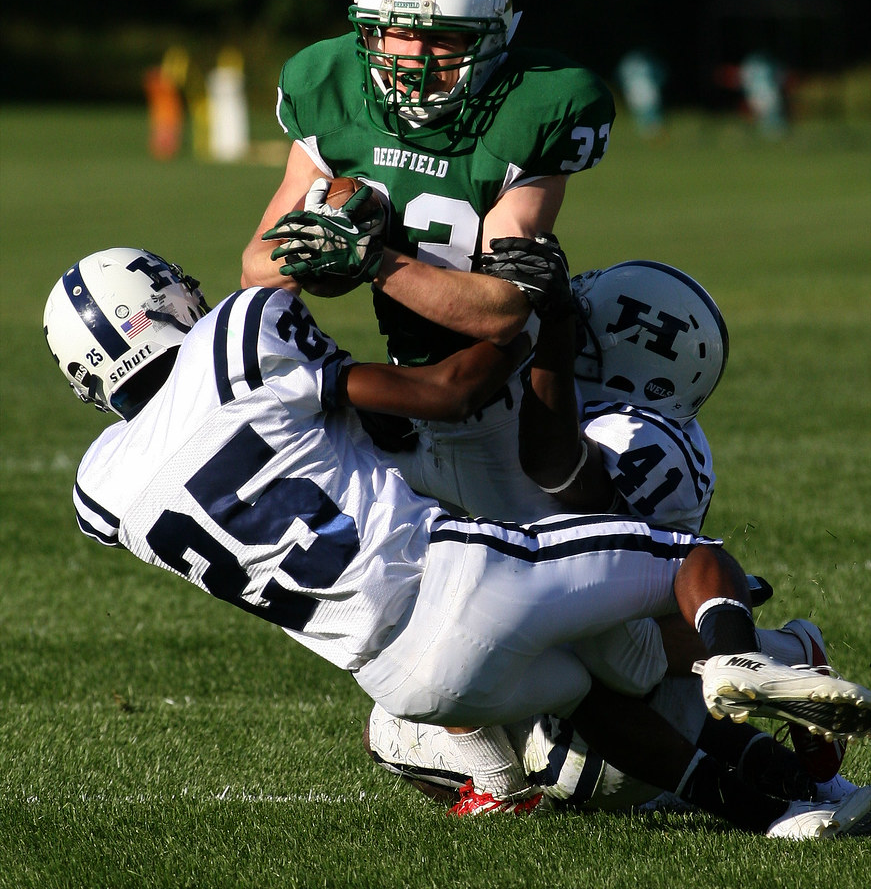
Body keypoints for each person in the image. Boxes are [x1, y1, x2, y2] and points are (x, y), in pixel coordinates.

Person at [45, 247, 871, 839]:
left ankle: (772, 814)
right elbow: (444, 392)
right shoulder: (238, 336)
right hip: (455, 581)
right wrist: (526, 320)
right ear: (157, 308)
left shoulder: (101, 487)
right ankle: (746, 652)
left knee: (591, 690)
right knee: (695, 562)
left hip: (406, 683)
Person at [361, 252, 851, 811]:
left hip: (618, 661)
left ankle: (778, 657)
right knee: (432, 685)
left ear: (629, 355)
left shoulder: (640, 436)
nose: (566, 333)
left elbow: (559, 473)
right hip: (595, 644)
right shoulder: (621, 417)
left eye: (583, 330)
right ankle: (782, 729)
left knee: (573, 713)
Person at [240, 0, 615, 512]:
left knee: (584, 575)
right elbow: (257, 270)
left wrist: (371, 258)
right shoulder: (330, 85)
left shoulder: (538, 104)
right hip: (404, 386)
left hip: (506, 395)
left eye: (441, 39)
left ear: (495, 38)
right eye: (395, 34)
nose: (411, 60)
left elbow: (501, 310)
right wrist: (317, 244)